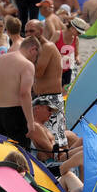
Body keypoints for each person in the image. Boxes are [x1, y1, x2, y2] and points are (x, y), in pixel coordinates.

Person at [0, 35, 41, 147]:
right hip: (15, 114)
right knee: (21, 152)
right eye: (37, 55)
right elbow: (24, 93)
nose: (36, 59)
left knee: (5, 150)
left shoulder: (0, 59)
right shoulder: (27, 65)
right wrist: (30, 122)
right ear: (33, 49)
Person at [24, 17, 66, 148]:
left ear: (41, 31)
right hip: (41, 98)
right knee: (43, 139)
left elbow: (38, 72)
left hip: (50, 99)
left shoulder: (47, 47)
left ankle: (62, 166)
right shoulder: (37, 49)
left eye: (32, 31)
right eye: (26, 32)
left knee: (55, 140)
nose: (28, 34)